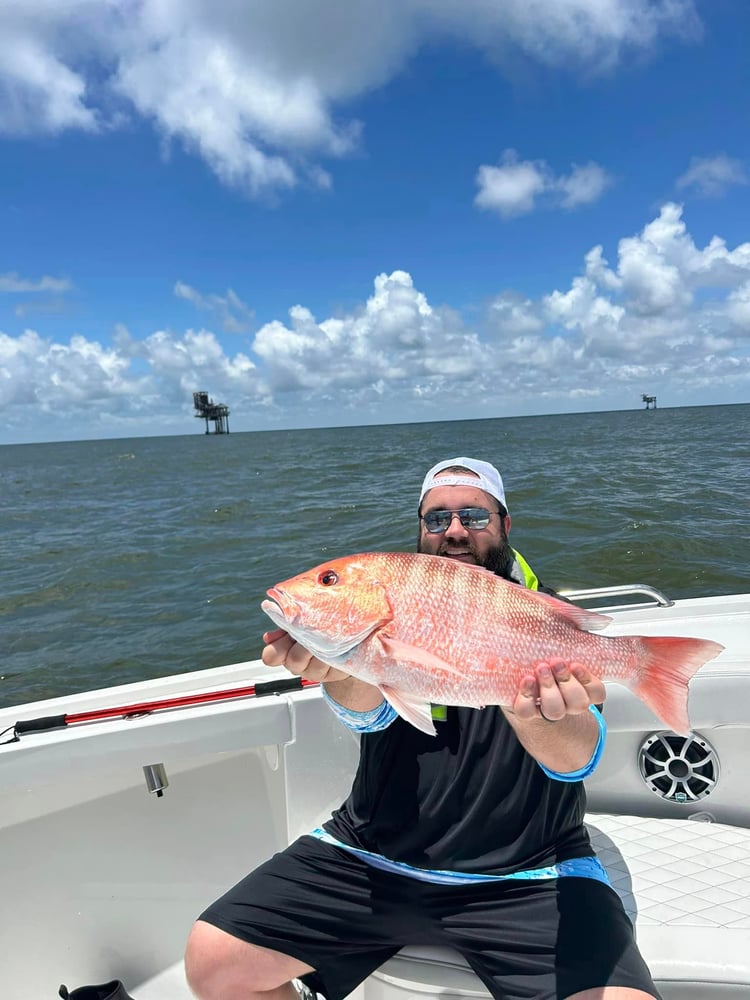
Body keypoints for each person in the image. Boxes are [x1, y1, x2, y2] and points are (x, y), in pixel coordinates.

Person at [185, 458, 660, 1000]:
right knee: (213, 962)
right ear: (420, 530)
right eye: (436, 520)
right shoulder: (388, 617)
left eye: (473, 516)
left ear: (506, 525)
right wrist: (341, 670)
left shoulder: (546, 619)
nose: (454, 530)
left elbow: (578, 761)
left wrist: (539, 716)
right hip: (372, 857)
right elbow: (371, 711)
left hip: (529, 870)